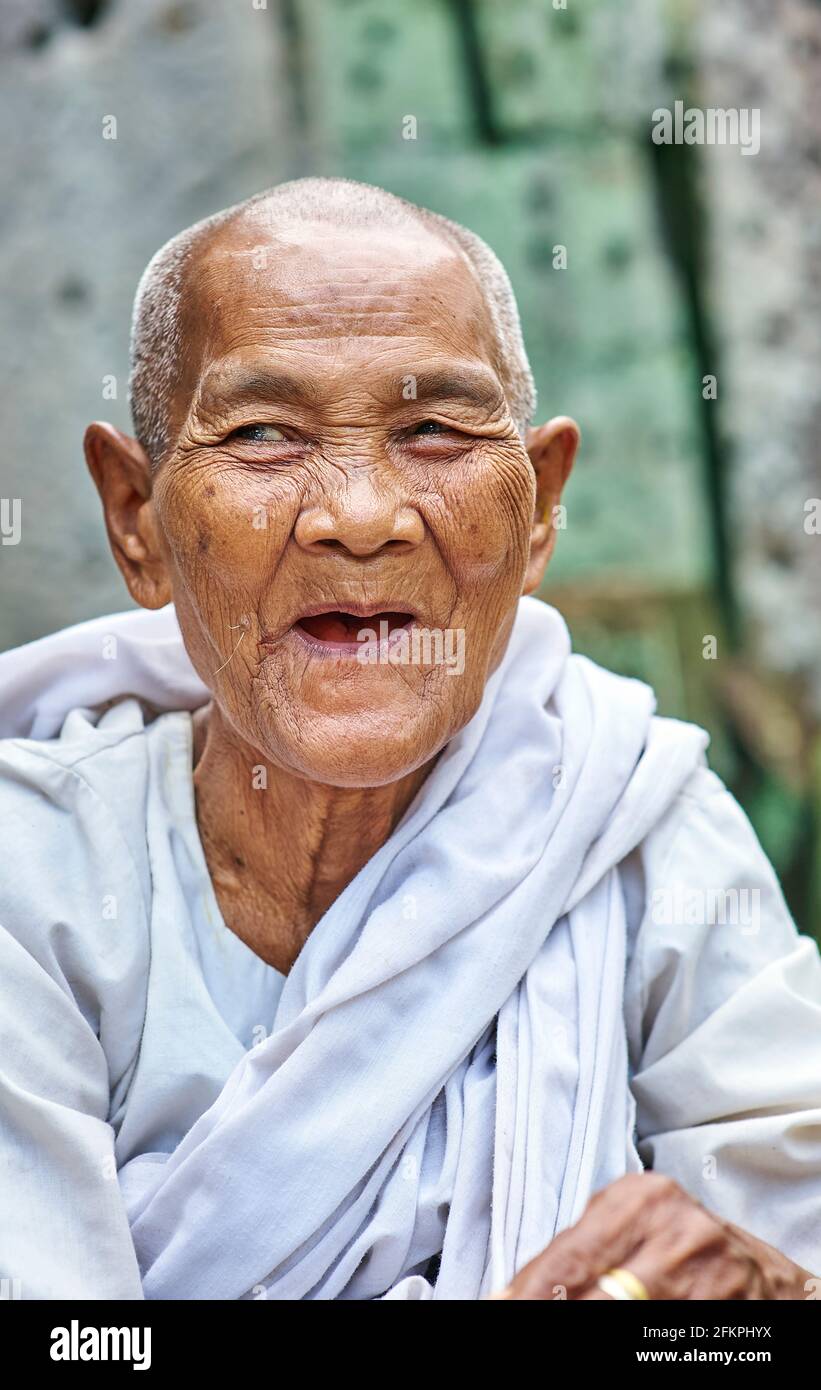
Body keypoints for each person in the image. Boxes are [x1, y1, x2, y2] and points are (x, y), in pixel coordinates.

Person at [0, 178, 818, 1301]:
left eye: (432, 430)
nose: (362, 513)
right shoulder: (32, 880)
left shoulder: (635, 826)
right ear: (136, 518)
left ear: (537, 511)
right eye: (265, 434)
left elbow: (784, 1255)